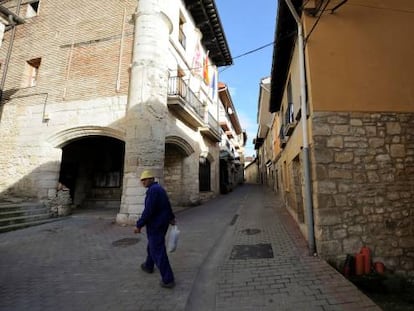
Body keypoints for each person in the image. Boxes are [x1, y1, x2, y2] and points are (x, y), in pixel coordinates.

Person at [134, 170, 176, 288]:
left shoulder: (152, 191)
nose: (142, 182)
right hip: (163, 224)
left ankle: (168, 279)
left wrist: (139, 225)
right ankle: (148, 265)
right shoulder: (159, 189)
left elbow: (148, 210)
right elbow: (167, 205)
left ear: (150, 179)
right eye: (141, 180)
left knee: (157, 250)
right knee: (152, 246)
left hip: (156, 225)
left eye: (144, 180)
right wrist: (171, 217)